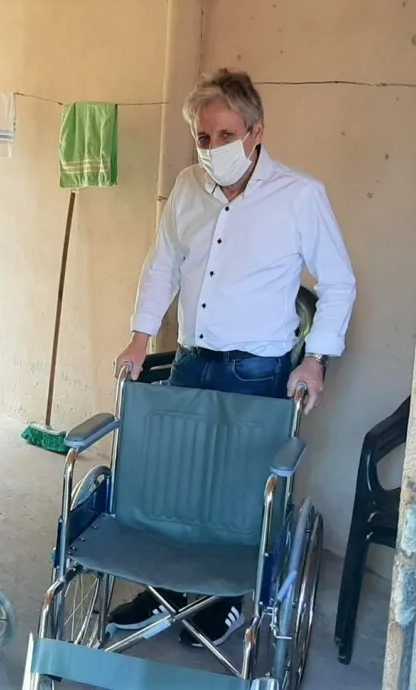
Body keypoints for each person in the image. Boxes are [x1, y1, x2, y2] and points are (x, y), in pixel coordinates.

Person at [108, 69, 357, 647]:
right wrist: (141, 336)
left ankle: (224, 601)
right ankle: (164, 592)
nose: (213, 147)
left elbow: (339, 283)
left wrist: (316, 359)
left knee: (241, 495)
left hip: (258, 370)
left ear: (256, 131)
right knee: (175, 484)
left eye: (225, 135)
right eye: (203, 137)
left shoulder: (298, 195)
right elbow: (162, 265)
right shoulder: (187, 187)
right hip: (192, 361)